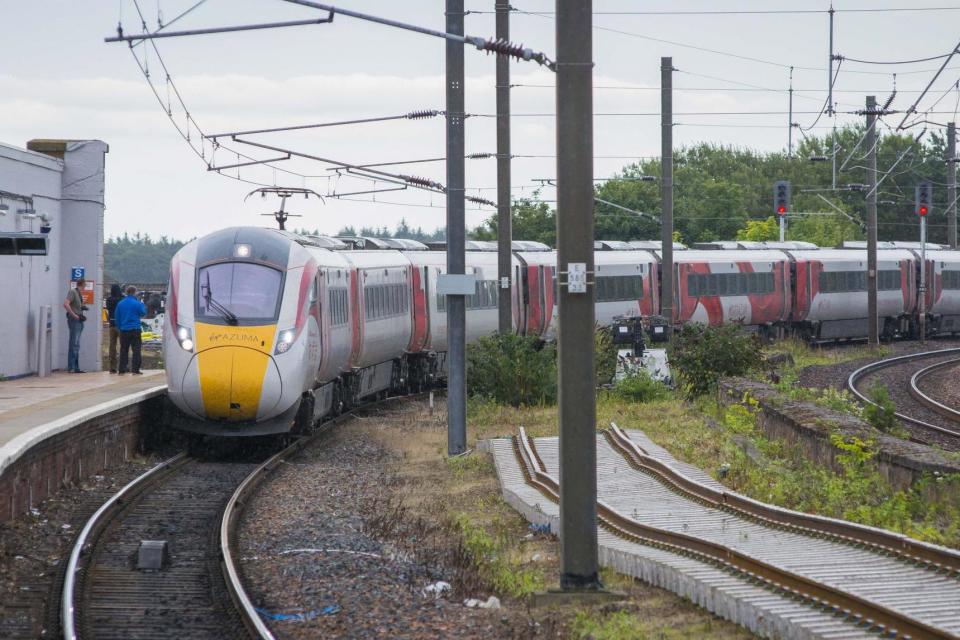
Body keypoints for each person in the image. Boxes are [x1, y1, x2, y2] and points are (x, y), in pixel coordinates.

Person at [115, 285, 147, 375]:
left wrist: (120, 327)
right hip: (135, 329)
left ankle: (122, 369)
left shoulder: (120, 303)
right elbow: (143, 313)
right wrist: (142, 304)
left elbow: (117, 318)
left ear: (126, 292)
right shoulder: (137, 303)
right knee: (136, 350)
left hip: (124, 330)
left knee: (123, 350)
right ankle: (135, 370)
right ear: (135, 292)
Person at [63, 278, 87, 373]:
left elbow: (74, 305)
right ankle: (71, 367)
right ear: (83, 284)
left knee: (76, 344)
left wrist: (82, 308)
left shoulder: (78, 293)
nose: (85, 286)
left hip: (79, 320)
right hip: (74, 320)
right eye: (85, 284)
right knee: (74, 343)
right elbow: (66, 304)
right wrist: (74, 315)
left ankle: (76, 367)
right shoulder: (73, 292)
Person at [105, 284, 123, 373]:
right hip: (121, 325)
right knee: (123, 346)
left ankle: (112, 367)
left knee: (112, 346)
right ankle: (123, 365)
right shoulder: (121, 299)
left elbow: (108, 309)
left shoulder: (109, 300)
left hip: (112, 324)